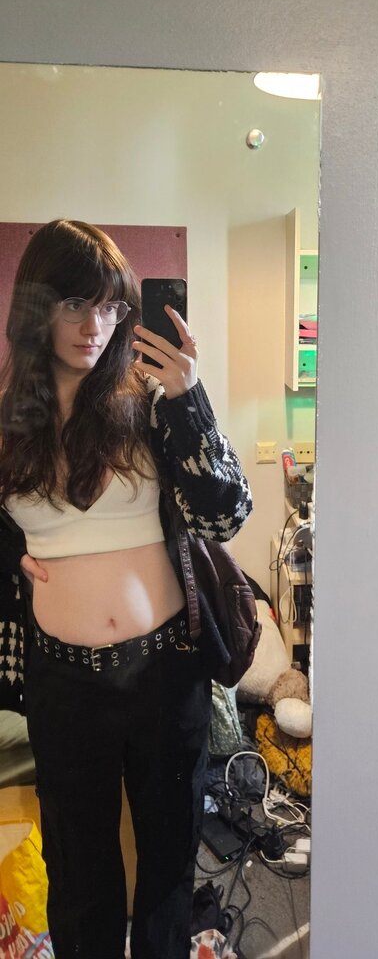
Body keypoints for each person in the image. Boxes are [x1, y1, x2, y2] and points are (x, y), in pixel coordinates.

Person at [0, 219, 252, 959]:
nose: (95, 326)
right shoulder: (8, 423)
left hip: (166, 670)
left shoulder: (150, 403)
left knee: (169, 859)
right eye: (75, 303)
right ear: (36, 306)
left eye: (111, 307)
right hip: (62, 682)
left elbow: (225, 516)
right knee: (78, 868)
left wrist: (190, 399)